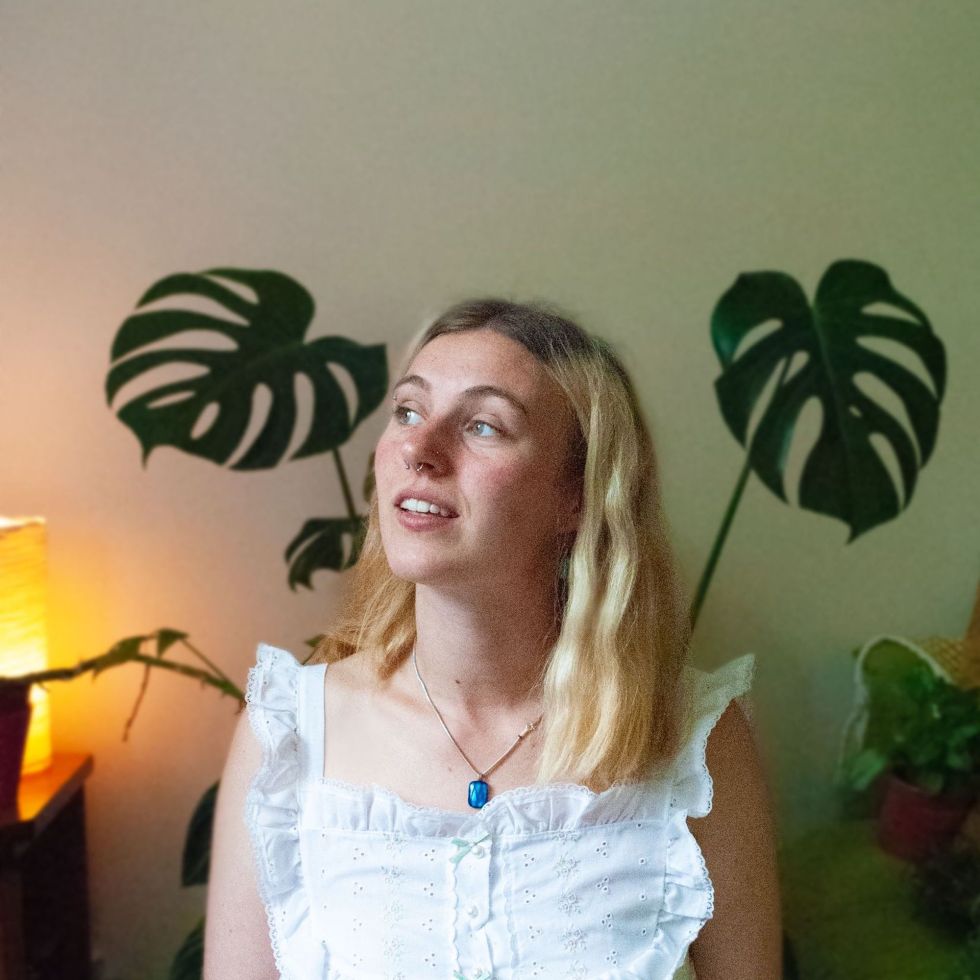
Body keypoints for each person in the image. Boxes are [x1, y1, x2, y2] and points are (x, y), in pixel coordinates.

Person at [204, 298, 782, 979]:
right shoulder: (288, 735)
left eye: (483, 425)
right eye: (408, 411)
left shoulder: (693, 742)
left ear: (576, 496)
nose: (419, 449)